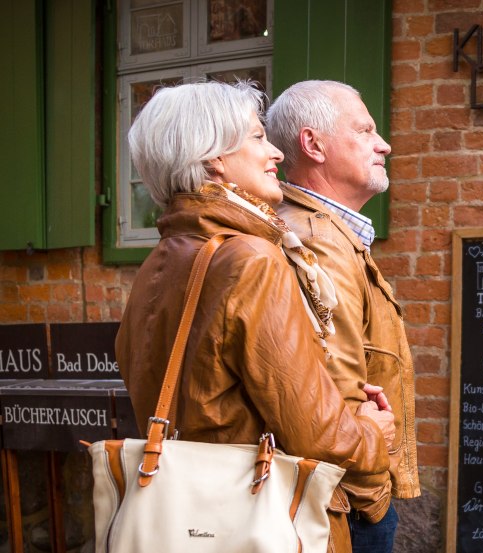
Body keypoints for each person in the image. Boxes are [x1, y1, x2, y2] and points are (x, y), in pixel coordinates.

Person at [115, 80, 395, 553]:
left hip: (183, 515)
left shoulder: (159, 263)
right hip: (254, 514)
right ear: (214, 159)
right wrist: (373, 433)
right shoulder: (251, 259)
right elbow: (316, 432)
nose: (277, 154)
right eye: (257, 137)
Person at [267, 80, 420, 553]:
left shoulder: (333, 233)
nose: (384, 144)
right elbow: (334, 394)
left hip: (348, 496)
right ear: (313, 145)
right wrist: (369, 502)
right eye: (365, 130)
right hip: (346, 504)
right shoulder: (315, 240)